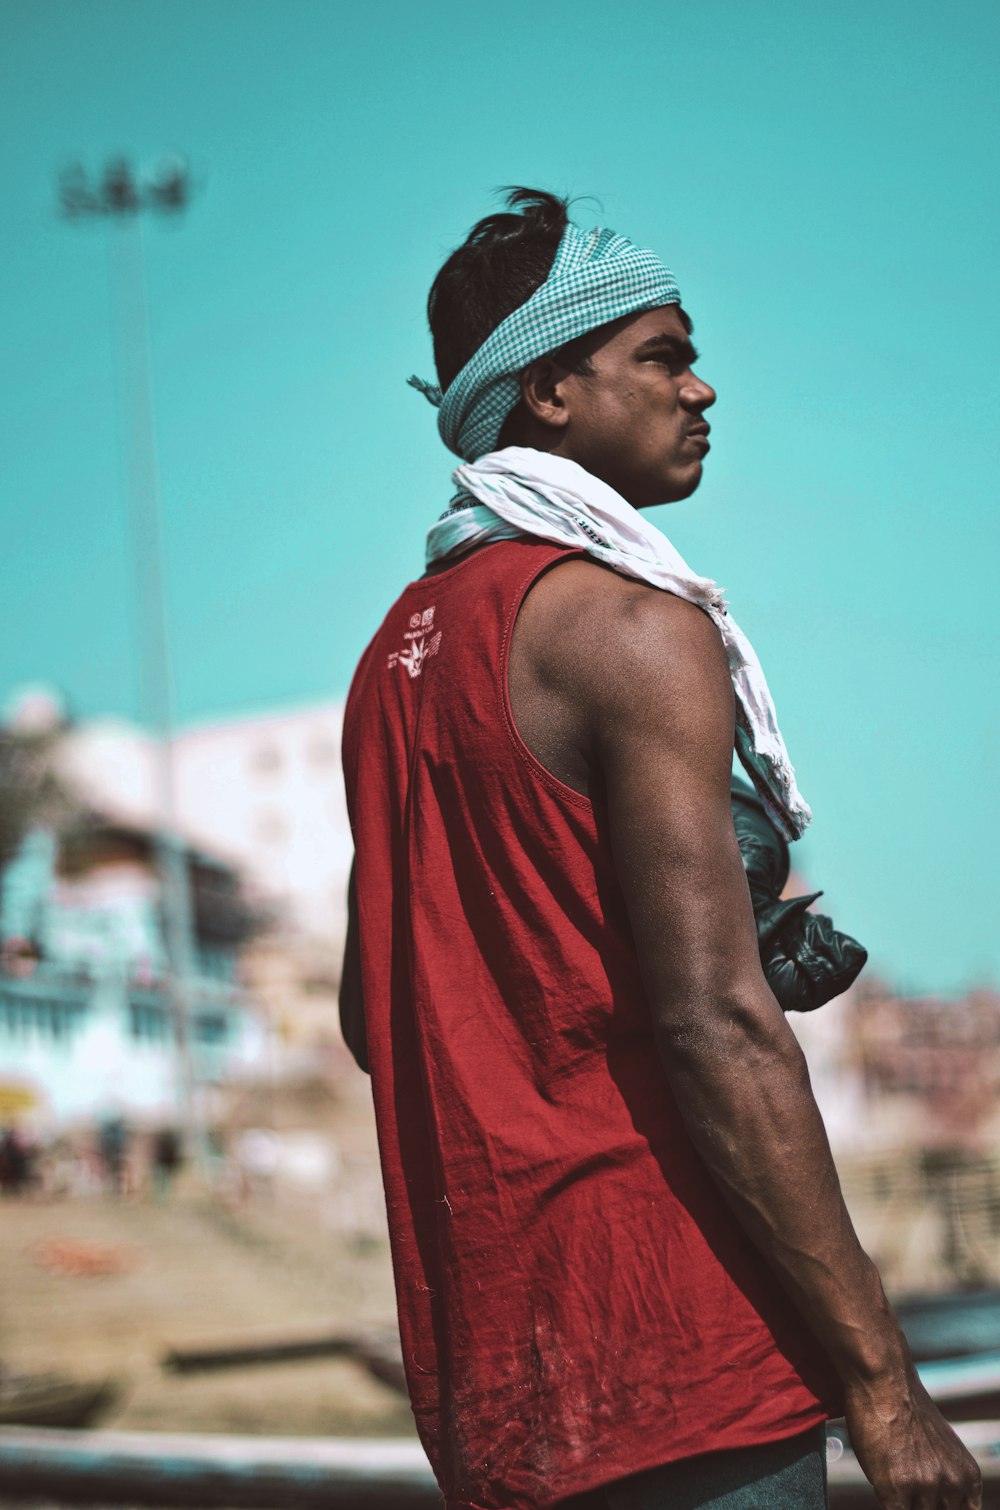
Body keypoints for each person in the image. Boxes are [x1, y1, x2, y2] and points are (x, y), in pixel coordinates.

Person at [339, 189, 980, 1510]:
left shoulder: (393, 661)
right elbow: (717, 1029)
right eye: (662, 355)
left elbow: (375, 1010)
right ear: (550, 390)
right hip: (685, 1357)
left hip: (501, 1381)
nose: (702, 388)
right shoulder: (631, 628)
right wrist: (886, 1391)